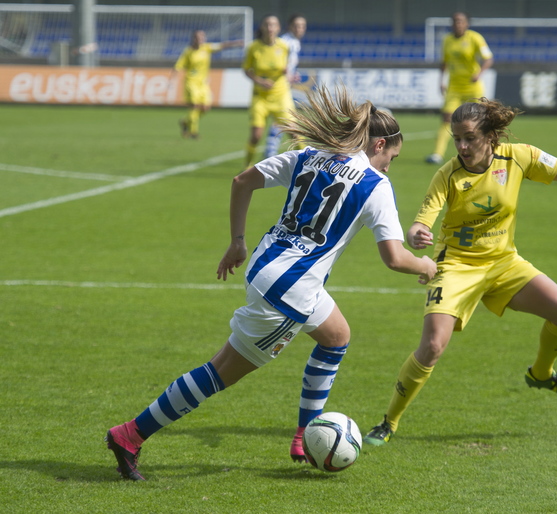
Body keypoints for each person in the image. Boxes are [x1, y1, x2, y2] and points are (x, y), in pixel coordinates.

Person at [104, 84, 437, 480]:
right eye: (391, 157)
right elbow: (394, 258)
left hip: (268, 266)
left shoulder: (308, 156)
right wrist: (426, 267)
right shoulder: (374, 185)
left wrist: (237, 243)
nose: (389, 167)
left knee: (336, 337)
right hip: (290, 291)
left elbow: (242, 181)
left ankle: (304, 434)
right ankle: (130, 434)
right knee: (220, 371)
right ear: (379, 143)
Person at [363, 98, 557, 446]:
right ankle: (389, 422)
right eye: (456, 139)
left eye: (469, 138)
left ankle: (542, 374)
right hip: (456, 267)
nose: (462, 147)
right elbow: (422, 221)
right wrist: (417, 232)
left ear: (491, 136)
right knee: (433, 346)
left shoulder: (519, 156)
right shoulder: (447, 174)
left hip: (503, 263)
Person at [425, 12, 494, 165]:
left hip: (472, 86)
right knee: (446, 118)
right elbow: (444, 63)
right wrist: (441, 81)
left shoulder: (475, 38)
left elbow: (488, 58)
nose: (458, 24)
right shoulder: (447, 40)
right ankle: (437, 154)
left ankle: (486, 149)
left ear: (467, 24)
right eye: (455, 21)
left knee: (480, 120)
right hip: (454, 87)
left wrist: (479, 73)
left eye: (461, 21)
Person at [242, 14, 297, 168]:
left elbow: (287, 69)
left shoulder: (284, 46)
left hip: (281, 95)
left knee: (294, 133)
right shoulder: (253, 47)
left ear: (278, 28)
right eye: (267, 24)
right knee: (256, 135)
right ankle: (247, 165)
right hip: (260, 96)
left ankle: (308, 166)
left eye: (273, 25)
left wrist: (290, 75)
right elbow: (247, 70)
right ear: (262, 27)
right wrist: (260, 81)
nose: (270, 28)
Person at [171, 30, 244, 139]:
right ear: (193, 39)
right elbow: (179, 65)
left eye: (202, 37)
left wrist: (235, 43)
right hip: (191, 83)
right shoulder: (188, 52)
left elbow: (221, 45)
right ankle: (193, 132)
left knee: (205, 108)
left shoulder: (207, 48)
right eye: (197, 37)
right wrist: (173, 77)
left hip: (203, 84)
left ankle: (185, 122)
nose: (200, 39)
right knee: (194, 106)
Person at [264, 14, 307, 159]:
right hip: (278, 87)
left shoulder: (294, 42)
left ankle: (271, 150)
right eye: (296, 25)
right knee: (288, 121)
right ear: (290, 27)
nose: (299, 29)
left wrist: (292, 75)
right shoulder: (286, 42)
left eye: (302, 26)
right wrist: (287, 75)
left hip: (284, 86)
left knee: (282, 121)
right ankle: (304, 155)